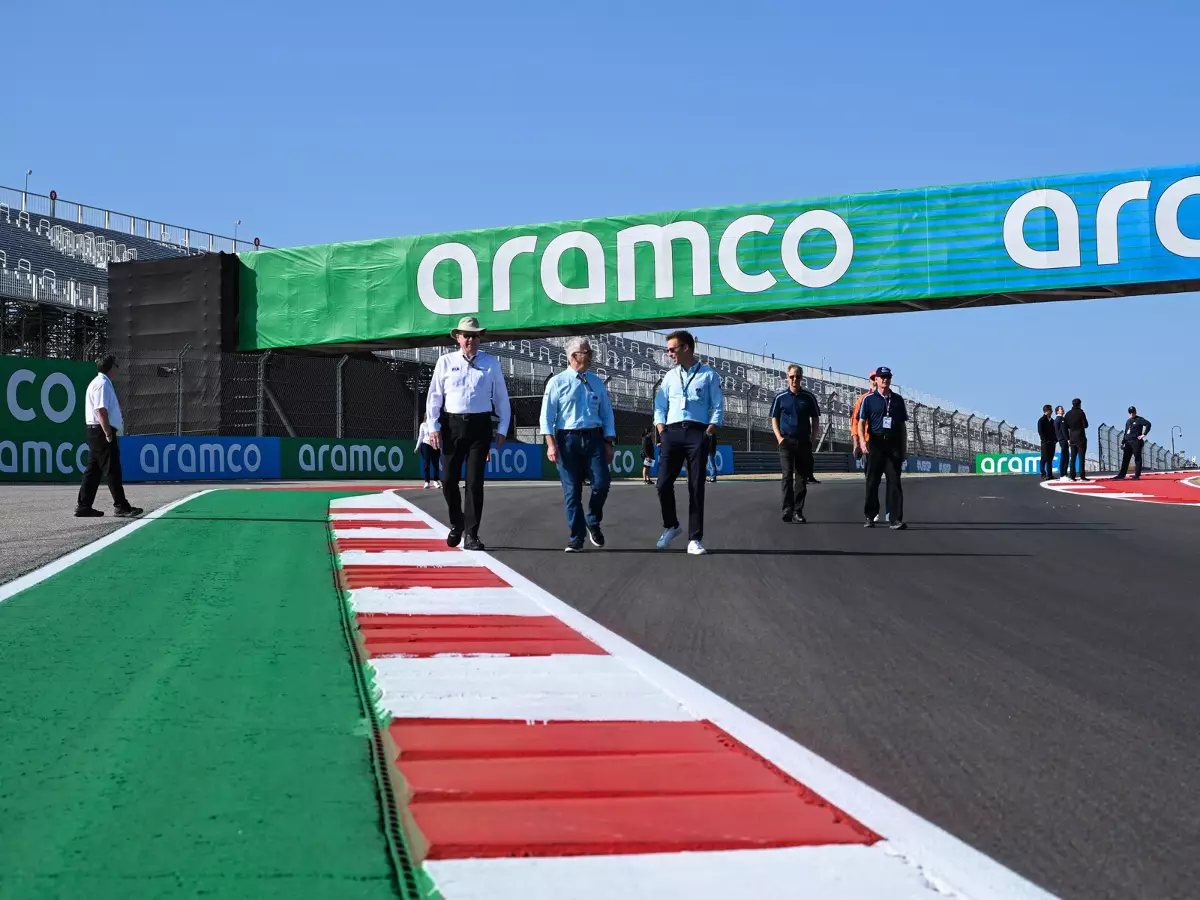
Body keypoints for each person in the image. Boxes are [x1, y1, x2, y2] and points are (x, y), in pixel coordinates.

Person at [425, 316, 512, 551]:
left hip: (480, 427)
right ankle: (457, 523)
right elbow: (434, 397)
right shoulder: (445, 362)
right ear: (458, 338)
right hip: (451, 426)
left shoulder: (491, 363)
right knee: (448, 480)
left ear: (480, 338)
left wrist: (502, 429)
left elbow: (502, 399)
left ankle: (472, 534)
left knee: (474, 482)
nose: (470, 339)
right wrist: (433, 427)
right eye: (466, 335)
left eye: (475, 335)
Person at [540, 338, 616, 552]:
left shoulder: (597, 381)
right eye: (587, 352)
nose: (591, 356)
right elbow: (547, 416)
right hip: (567, 440)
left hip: (594, 438)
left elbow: (607, 413)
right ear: (574, 356)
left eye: (590, 352)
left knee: (601, 483)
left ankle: (593, 519)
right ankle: (576, 536)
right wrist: (551, 444)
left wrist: (609, 441)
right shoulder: (557, 382)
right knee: (572, 491)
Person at [653, 330, 723, 555]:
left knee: (696, 486)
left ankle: (695, 539)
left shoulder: (709, 375)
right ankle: (672, 525)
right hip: (671, 432)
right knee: (663, 483)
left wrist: (708, 432)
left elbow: (718, 407)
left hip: (696, 432)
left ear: (686, 348)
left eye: (672, 349)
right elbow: (659, 407)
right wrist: (662, 430)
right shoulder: (670, 376)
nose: (669, 353)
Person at [75, 354, 142, 518]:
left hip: (96, 430)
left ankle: (84, 505)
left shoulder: (101, 383)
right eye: (116, 365)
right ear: (111, 367)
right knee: (112, 469)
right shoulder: (102, 384)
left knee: (93, 471)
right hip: (101, 431)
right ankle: (121, 506)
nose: (117, 369)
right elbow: (100, 410)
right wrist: (107, 433)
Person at [857, 366, 908, 530]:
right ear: (876, 380)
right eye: (882, 377)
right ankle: (870, 515)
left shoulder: (898, 400)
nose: (885, 380)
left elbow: (902, 426)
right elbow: (861, 422)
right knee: (872, 481)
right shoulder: (869, 399)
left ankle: (895, 519)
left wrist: (904, 448)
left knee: (894, 481)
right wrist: (862, 442)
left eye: (887, 377)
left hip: (893, 444)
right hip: (875, 443)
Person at [770, 364, 821, 523]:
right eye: (792, 376)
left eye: (797, 377)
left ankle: (798, 511)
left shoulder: (809, 397)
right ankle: (787, 509)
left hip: (803, 442)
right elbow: (774, 418)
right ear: (787, 377)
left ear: (801, 378)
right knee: (787, 476)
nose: (794, 379)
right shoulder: (780, 397)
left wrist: (813, 439)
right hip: (786, 441)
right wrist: (779, 438)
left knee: (801, 478)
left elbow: (816, 418)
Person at [1114, 406, 1152, 480]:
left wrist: (1143, 434)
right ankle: (1121, 475)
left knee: (1137, 458)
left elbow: (1148, 424)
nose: (1131, 414)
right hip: (1128, 442)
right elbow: (1126, 432)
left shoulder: (1139, 419)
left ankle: (1137, 475)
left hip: (1136, 441)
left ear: (1135, 412)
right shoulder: (1128, 421)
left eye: (1133, 412)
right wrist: (1123, 442)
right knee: (1125, 459)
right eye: (1130, 413)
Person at [1063, 398, 1090, 482]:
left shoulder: (1067, 414)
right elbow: (1085, 425)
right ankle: (1082, 476)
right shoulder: (1081, 413)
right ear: (1079, 404)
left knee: (1073, 458)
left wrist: (1067, 438)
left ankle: (1072, 475)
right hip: (1080, 437)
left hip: (1072, 438)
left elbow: (1064, 428)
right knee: (1081, 458)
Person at [416, 417, 441, 489]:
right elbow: (421, 437)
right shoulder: (423, 425)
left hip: (435, 445)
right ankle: (427, 482)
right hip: (426, 444)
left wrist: (441, 447)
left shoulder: (438, 425)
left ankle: (436, 481)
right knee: (426, 463)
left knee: (435, 463)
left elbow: (440, 437)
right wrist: (417, 447)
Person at [1037, 404, 1057, 480]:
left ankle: (1050, 474)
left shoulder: (1052, 421)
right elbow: (1040, 431)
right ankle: (1043, 474)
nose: (1052, 412)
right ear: (1047, 411)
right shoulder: (1041, 420)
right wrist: (1044, 440)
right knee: (1044, 458)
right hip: (1045, 443)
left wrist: (1055, 440)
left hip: (1052, 442)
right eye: (1051, 410)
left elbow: (1056, 431)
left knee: (1050, 459)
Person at [1053, 405, 1070, 479]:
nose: (1063, 410)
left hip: (1061, 439)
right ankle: (1063, 474)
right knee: (1065, 457)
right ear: (1057, 411)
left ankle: (1064, 474)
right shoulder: (1061, 419)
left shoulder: (1056, 419)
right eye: (1061, 409)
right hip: (1063, 439)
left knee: (1065, 456)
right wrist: (1068, 439)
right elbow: (1064, 430)